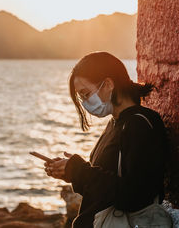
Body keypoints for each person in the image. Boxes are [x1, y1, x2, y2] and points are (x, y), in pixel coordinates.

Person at [44, 51, 169, 228]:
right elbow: (105, 186)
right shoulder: (116, 122)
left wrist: (80, 170)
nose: (86, 103)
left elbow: (135, 195)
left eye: (86, 94)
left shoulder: (139, 124)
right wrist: (72, 173)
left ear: (108, 84)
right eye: (81, 98)